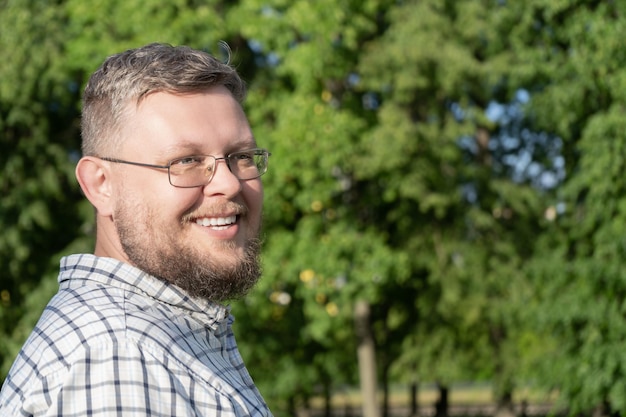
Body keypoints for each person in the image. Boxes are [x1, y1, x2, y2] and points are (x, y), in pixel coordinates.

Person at [0, 43, 273, 416]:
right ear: (101, 185)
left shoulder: (159, 338)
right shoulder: (119, 356)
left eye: (240, 156)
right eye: (187, 161)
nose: (228, 182)